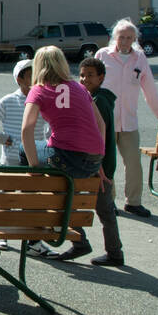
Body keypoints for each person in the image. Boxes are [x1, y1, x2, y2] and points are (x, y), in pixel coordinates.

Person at [22, 47, 108, 259]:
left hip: (66, 157)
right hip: (93, 158)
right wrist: (99, 157)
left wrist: (34, 167)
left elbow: (26, 129)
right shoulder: (80, 88)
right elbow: (101, 125)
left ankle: (36, 213)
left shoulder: (39, 90)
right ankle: (80, 242)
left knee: (26, 152)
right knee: (62, 191)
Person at [55, 57, 124, 266]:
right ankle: (112, 251)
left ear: (101, 77)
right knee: (104, 210)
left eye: (90, 75)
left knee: (76, 204)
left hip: (96, 165)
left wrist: (98, 165)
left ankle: (87, 245)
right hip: (100, 163)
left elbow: (97, 134)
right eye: (82, 75)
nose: (84, 79)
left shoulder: (98, 101)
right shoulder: (97, 98)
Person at [96, 19, 158, 218]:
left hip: (129, 120)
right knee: (106, 164)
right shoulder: (103, 55)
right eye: (122, 37)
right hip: (105, 121)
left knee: (134, 163)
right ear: (114, 38)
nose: (125, 41)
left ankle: (133, 202)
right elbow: (89, 84)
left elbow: (150, 88)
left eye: (129, 38)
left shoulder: (140, 58)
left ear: (135, 39)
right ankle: (108, 202)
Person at [0, 58, 53, 256]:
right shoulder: (9, 100)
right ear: (19, 79)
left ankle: (32, 240)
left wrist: (50, 141)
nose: (35, 78)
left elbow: (52, 125)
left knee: (31, 201)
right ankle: (2, 233)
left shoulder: (43, 100)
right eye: (30, 75)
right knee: (6, 198)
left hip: (34, 158)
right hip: (11, 158)